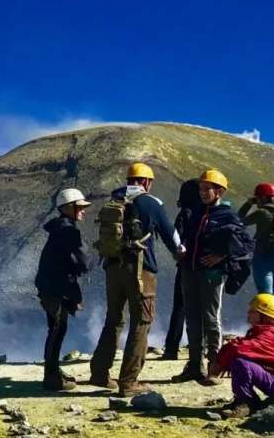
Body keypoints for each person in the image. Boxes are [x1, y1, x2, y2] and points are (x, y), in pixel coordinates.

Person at [88, 163, 184, 397]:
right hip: (140, 270)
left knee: (114, 319)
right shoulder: (150, 203)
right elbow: (171, 235)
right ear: (147, 182)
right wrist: (180, 250)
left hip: (112, 267)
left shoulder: (115, 199)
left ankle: (99, 373)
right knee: (141, 321)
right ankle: (129, 382)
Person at [173, 169, 246, 386]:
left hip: (212, 275)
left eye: (208, 189)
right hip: (189, 270)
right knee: (192, 318)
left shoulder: (228, 217)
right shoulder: (195, 212)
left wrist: (222, 256)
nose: (203, 193)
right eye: (201, 189)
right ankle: (195, 365)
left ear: (220, 191)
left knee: (211, 318)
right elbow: (185, 236)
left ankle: (214, 365)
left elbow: (245, 246)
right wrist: (182, 248)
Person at [34, 188, 92, 391]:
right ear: (70, 208)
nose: (83, 211)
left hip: (50, 287)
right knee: (58, 329)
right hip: (57, 289)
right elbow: (84, 261)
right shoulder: (69, 231)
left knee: (56, 329)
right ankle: (51, 377)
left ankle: (52, 370)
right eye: (80, 207)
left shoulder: (59, 229)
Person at [209, 294, 274, 419]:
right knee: (240, 360)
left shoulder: (270, 336)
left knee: (240, 363)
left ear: (266, 317)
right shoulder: (266, 331)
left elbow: (239, 349)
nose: (248, 313)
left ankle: (247, 402)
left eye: (253, 311)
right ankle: (243, 399)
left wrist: (218, 365)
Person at [163, 179, 202, 360]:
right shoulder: (207, 212)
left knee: (180, 308)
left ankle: (171, 349)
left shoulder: (185, 213)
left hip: (186, 266)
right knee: (204, 309)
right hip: (206, 267)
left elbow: (176, 239)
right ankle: (202, 350)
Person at [238, 183, 274, 295]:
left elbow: (238, 220)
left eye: (257, 198)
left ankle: (263, 313)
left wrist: (249, 203)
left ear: (263, 198)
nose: (256, 200)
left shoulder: (263, 213)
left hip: (264, 257)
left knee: (265, 296)